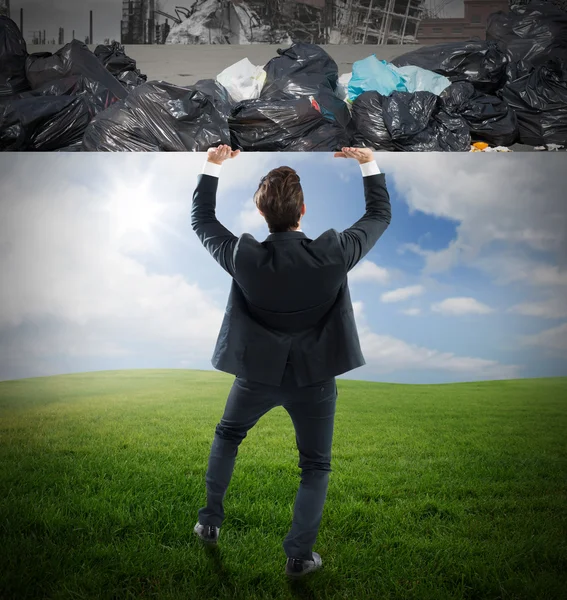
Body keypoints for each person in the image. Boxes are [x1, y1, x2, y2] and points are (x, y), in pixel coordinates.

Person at [191, 145, 391, 578]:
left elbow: (202, 221)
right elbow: (379, 216)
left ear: (262, 213)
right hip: (314, 380)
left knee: (228, 436)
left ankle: (209, 522)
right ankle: (299, 558)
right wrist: (366, 163)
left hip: (256, 376)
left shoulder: (245, 257)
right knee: (315, 465)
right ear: (303, 209)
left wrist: (213, 164)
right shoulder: (333, 254)